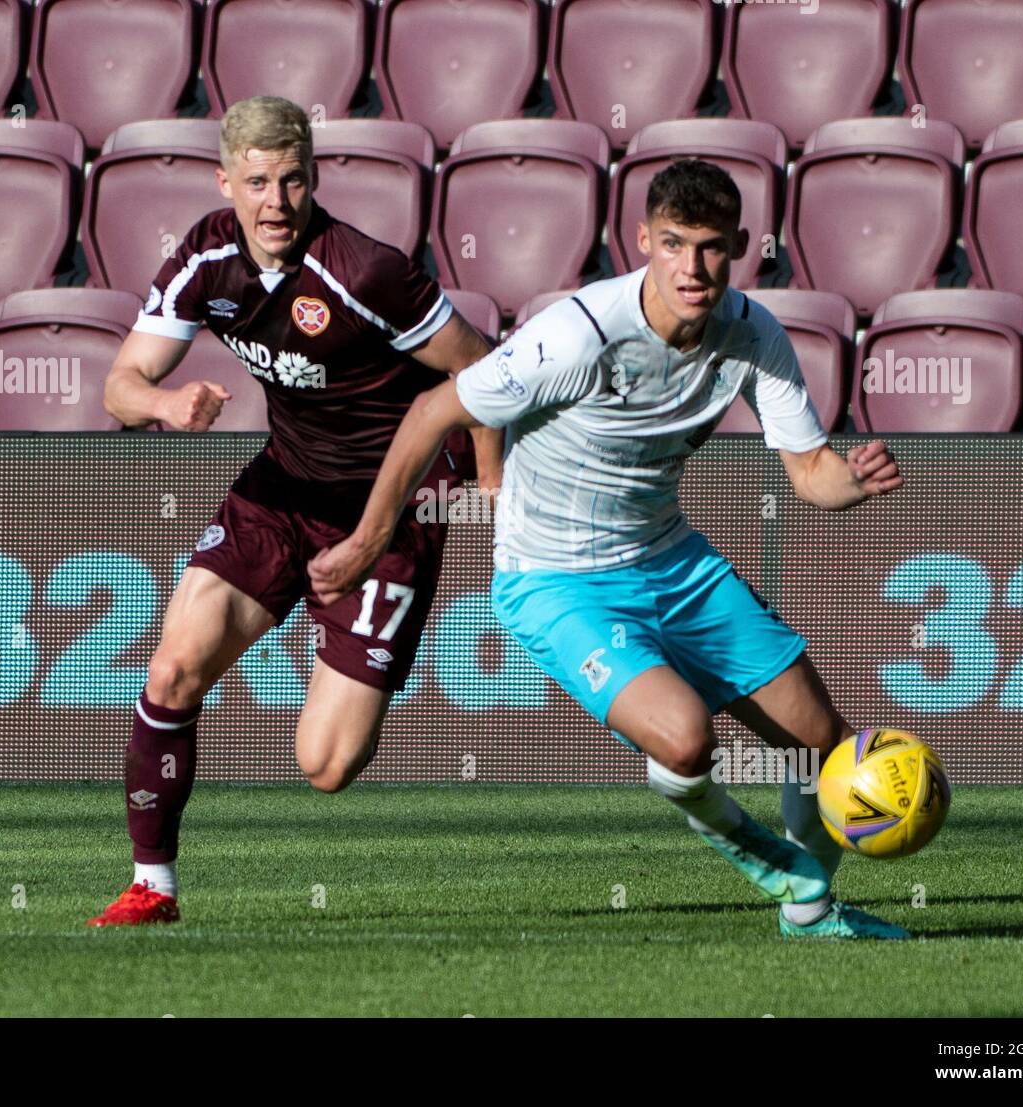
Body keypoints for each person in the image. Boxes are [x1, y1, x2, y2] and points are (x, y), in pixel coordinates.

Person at [308, 158, 910, 939]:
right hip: (558, 582)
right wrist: (365, 542)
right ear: (642, 242)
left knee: (821, 745)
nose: (693, 268)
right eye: (674, 244)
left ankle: (809, 911)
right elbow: (434, 409)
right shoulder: (578, 335)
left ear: (741, 246)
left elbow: (809, 472)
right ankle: (761, 857)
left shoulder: (753, 333)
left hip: (673, 562)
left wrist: (853, 483)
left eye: (711, 247)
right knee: (686, 738)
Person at [88, 96, 502, 926]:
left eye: (292, 181)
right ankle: (152, 888)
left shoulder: (363, 271)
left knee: (325, 763)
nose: (276, 203)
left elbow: (484, 372)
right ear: (224, 182)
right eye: (257, 183)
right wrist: (166, 406)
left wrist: (492, 499)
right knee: (171, 670)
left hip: (391, 499)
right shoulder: (205, 257)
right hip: (282, 484)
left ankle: (350, 632)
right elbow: (119, 385)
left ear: (313, 179)